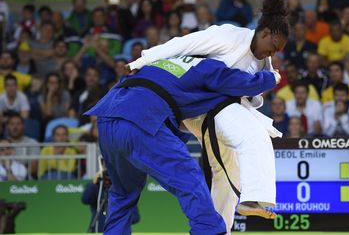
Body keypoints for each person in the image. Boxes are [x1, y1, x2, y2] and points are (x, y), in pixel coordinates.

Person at [124, 0, 289, 231]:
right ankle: (252, 198)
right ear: (264, 33)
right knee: (253, 136)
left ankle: (219, 229)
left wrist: (261, 86)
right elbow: (181, 44)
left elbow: (252, 97)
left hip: (220, 110)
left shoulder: (265, 63)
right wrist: (140, 61)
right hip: (198, 103)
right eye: (273, 48)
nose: (272, 55)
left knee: (228, 171)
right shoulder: (227, 36)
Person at [85, 56, 279, 235]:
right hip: (143, 119)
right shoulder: (206, 64)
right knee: (189, 177)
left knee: (122, 193)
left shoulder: (158, 60)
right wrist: (271, 77)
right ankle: (210, 231)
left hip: (107, 117)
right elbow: (243, 83)